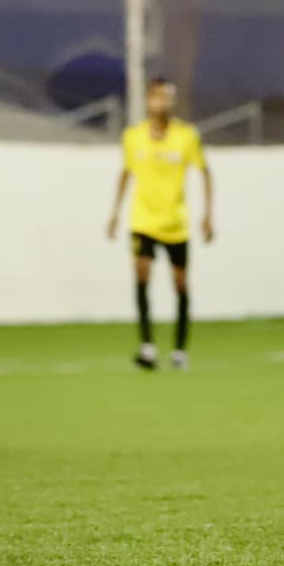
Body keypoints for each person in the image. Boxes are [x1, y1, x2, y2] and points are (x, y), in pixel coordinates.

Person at [107, 77, 212, 371]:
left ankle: (179, 351)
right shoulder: (133, 136)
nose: (161, 101)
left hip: (175, 223)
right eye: (156, 95)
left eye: (166, 96)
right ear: (148, 99)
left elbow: (205, 172)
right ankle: (147, 347)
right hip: (143, 221)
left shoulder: (186, 136)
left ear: (173, 102)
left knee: (180, 283)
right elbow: (126, 172)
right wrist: (115, 213)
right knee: (142, 275)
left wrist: (207, 215)